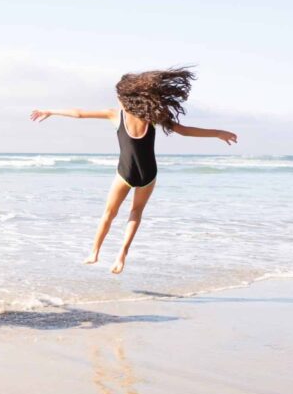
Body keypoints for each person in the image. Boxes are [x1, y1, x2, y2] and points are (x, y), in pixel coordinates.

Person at [30, 68, 238, 274]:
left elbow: (79, 114)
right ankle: (122, 254)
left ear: (125, 98)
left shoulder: (116, 115)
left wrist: (50, 111)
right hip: (148, 173)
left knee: (109, 214)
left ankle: (94, 252)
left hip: (125, 173)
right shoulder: (153, 116)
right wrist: (218, 133)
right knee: (136, 212)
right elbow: (184, 131)